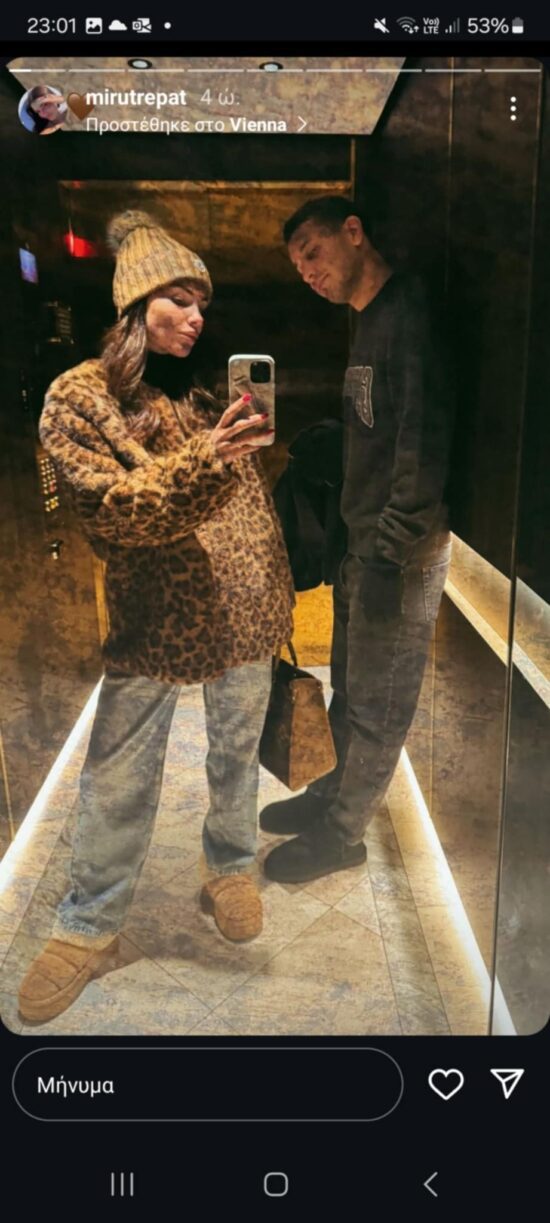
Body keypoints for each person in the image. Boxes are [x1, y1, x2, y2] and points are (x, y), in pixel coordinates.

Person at [18, 210, 294, 1023]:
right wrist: (209, 460)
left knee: (236, 751)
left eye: (203, 302)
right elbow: (116, 514)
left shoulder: (211, 386)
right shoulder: (80, 398)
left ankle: (230, 866)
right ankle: (88, 922)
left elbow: (250, 497)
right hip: (156, 618)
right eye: (178, 299)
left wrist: (271, 568)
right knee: (120, 772)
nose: (196, 317)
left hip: (247, 606)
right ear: (134, 306)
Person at [261, 195, 453, 884]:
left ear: (353, 232)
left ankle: (344, 835)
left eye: (312, 253)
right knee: (350, 686)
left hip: (399, 556)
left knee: (379, 703)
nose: (308, 273)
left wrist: (389, 550)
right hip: (363, 544)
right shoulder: (369, 321)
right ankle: (329, 795)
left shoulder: (409, 312)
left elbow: (423, 439)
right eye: (298, 267)